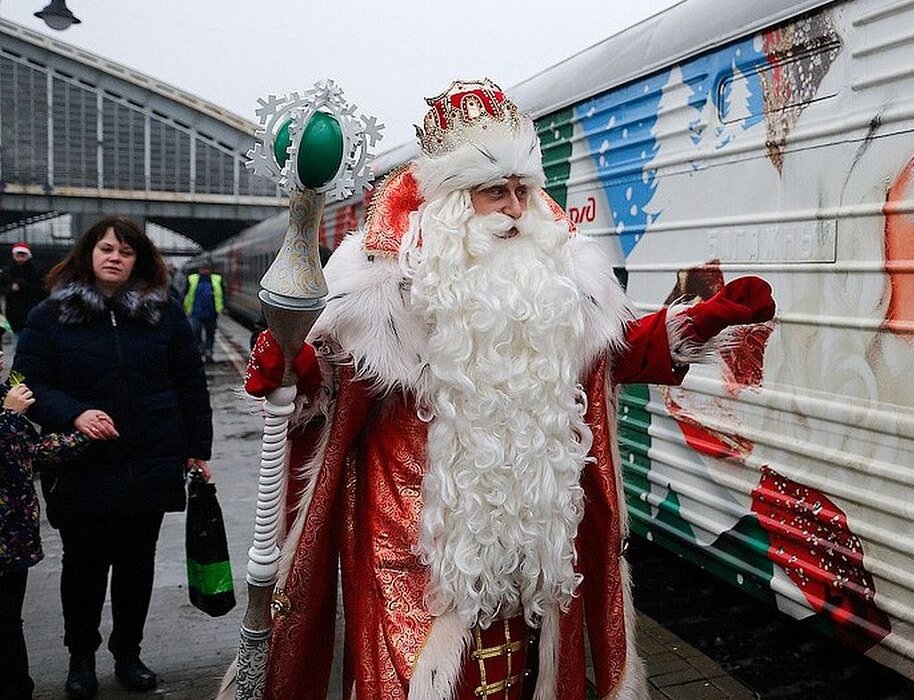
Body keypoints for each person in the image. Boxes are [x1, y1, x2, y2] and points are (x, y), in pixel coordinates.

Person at [236, 78, 774, 699]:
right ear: (451, 203)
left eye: (524, 190)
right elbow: (327, 392)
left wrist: (685, 328)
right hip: (414, 557)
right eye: (496, 192)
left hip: (533, 553)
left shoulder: (560, 283)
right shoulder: (383, 293)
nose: (517, 208)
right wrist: (295, 369)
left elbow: (604, 356)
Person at [14, 215, 213, 699]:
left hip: (149, 459)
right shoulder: (50, 315)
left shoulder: (162, 314)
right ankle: (80, 659)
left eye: (125, 252)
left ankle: (129, 653)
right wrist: (74, 413)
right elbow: (24, 384)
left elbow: (190, 383)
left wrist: (197, 450)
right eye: (106, 249)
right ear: (87, 254)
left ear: (138, 260)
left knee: (135, 566)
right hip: (82, 465)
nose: (114, 257)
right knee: (82, 568)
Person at [0, 359, 92, 700]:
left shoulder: (4, 396)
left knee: (10, 621)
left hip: (12, 537)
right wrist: (9, 418)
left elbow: (27, 454)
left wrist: (81, 436)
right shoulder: (8, 406)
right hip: (7, 537)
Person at [1, 243, 46, 343]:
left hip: (30, 310)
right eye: (18, 256)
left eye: (23, 256)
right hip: (15, 312)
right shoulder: (7, 271)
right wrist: (10, 288)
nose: (20, 259)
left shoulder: (36, 270)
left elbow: (42, 289)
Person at [183, 260, 223, 363]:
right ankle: (201, 349)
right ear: (199, 269)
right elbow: (186, 293)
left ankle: (208, 351)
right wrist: (185, 306)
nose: (205, 270)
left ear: (210, 270)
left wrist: (222, 307)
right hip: (196, 311)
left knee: (210, 333)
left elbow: (222, 293)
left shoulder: (216, 279)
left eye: (207, 268)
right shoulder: (192, 279)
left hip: (211, 312)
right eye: (203, 268)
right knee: (196, 331)